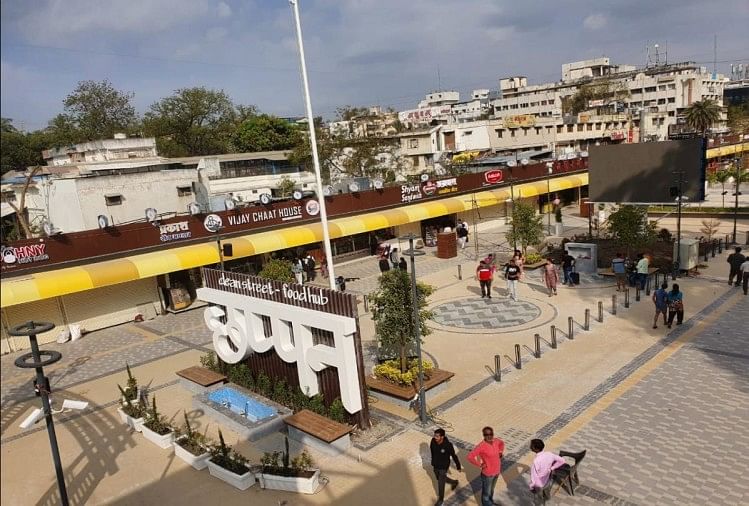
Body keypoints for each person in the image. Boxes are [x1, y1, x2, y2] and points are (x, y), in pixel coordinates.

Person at [467, 426, 505, 506]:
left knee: (491, 490)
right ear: (483, 435)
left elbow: (502, 443)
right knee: (486, 494)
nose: (489, 436)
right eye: (486, 434)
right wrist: (480, 464)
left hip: (497, 471)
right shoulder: (481, 446)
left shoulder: (496, 441)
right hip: (488, 474)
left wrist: (500, 452)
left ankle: (491, 503)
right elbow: (470, 456)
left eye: (491, 434)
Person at [430, 428, 462, 506]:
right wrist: (433, 461)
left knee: (440, 483)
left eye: (437, 436)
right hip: (435, 465)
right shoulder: (433, 441)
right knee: (440, 478)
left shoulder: (448, 445)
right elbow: (432, 451)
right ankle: (454, 482)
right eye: (435, 435)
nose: (435, 437)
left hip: (443, 467)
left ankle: (440, 500)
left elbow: (454, 455)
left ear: (442, 437)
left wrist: (458, 466)